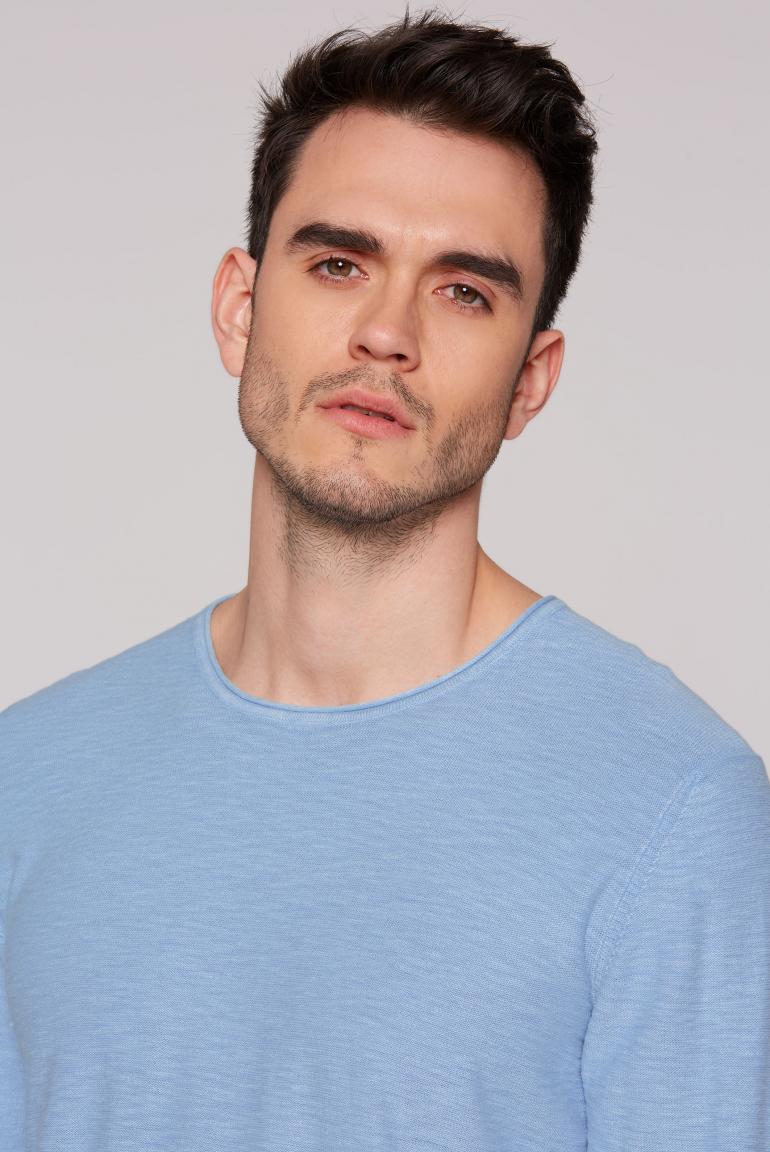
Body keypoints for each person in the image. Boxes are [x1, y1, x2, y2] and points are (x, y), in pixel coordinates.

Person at [2, 7, 768, 1150]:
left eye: (464, 291)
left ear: (529, 381)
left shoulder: (675, 807)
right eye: (337, 263)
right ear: (239, 309)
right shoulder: (27, 778)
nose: (384, 333)